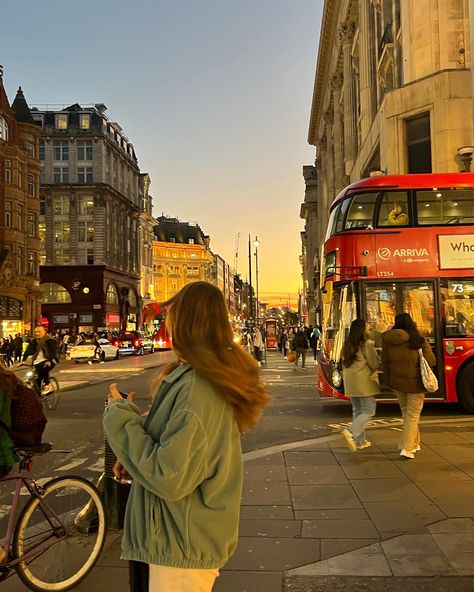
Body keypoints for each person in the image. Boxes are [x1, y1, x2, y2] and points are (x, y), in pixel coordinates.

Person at [103, 282, 270, 591]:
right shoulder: (198, 380)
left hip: (178, 543)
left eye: (172, 317)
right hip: (175, 536)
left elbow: (170, 476)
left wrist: (119, 415)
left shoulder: (197, 389)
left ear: (186, 324)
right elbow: (181, 455)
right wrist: (135, 463)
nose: (166, 324)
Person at [382, 313, 436, 459]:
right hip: (416, 383)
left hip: (398, 383)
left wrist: (389, 380)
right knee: (413, 415)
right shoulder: (418, 339)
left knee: (406, 413)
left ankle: (415, 443)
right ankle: (407, 448)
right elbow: (431, 360)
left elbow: (385, 362)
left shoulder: (388, 340)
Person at [340, 319, 380, 451]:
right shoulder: (366, 345)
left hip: (350, 383)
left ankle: (360, 441)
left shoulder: (347, 345)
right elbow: (374, 363)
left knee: (358, 411)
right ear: (362, 330)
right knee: (369, 410)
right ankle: (351, 432)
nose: (369, 330)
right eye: (367, 328)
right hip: (363, 382)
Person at [23, 325, 58, 393]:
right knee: (36, 379)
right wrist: (23, 361)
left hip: (50, 360)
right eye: (36, 332)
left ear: (44, 332)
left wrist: (49, 360)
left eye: (39, 331)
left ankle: (48, 385)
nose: (37, 333)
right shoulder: (34, 341)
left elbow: (52, 352)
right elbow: (28, 351)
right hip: (37, 362)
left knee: (43, 369)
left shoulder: (50, 340)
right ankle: (38, 396)